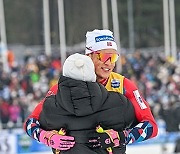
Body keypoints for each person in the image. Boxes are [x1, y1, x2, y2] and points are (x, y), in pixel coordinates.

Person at [24, 29, 158, 153]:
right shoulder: (66, 86)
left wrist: (122, 137)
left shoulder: (123, 84)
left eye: (114, 57)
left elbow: (151, 126)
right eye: (104, 57)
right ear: (89, 56)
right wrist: (46, 137)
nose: (110, 63)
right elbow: (30, 123)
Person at [39, 53, 137, 154]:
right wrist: (121, 137)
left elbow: (33, 124)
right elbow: (145, 125)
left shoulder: (49, 107)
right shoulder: (118, 102)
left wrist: (45, 136)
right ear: (92, 74)